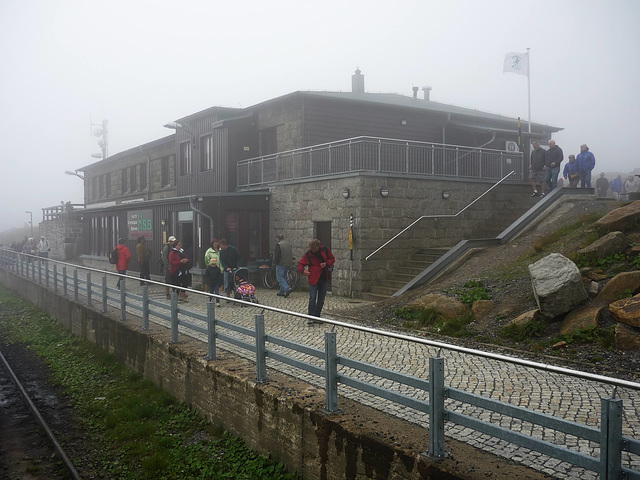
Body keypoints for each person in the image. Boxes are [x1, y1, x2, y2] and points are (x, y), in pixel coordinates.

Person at [298, 239, 335, 324]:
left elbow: (332, 259)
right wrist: (304, 271)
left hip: (324, 278)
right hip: (313, 278)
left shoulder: (325, 250)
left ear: (318, 246)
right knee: (312, 298)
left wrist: (326, 264)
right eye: (311, 249)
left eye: (314, 249)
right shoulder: (308, 254)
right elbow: (301, 264)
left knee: (321, 299)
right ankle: (310, 316)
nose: (313, 251)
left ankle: (317, 316)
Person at [204, 239, 223, 304]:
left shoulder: (221, 250)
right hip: (211, 269)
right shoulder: (209, 251)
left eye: (217, 242)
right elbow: (206, 260)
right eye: (214, 243)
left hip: (220, 268)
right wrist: (210, 266)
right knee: (211, 287)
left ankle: (219, 295)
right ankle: (211, 298)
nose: (215, 244)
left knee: (220, 281)